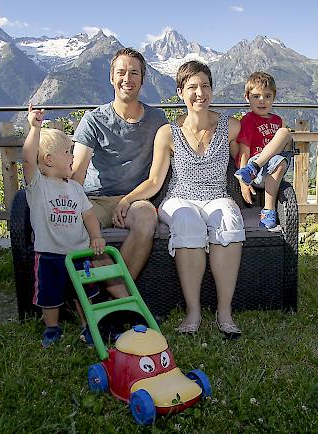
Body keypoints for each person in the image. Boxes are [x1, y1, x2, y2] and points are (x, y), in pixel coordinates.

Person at [114, 60, 245, 339]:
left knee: (229, 220)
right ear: (181, 92)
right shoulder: (168, 133)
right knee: (187, 221)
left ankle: (224, 312)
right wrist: (126, 200)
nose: (200, 93)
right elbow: (154, 181)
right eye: (192, 87)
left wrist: (249, 174)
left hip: (216, 196)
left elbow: (247, 152)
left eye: (205, 86)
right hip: (179, 197)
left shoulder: (230, 127)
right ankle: (193, 312)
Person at [71, 47, 168, 284]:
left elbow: (155, 178)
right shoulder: (93, 120)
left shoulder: (157, 120)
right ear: (111, 77)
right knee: (74, 227)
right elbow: (77, 174)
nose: (127, 79)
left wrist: (127, 201)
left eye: (134, 73)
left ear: (142, 79)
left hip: (136, 199)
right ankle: (116, 299)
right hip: (95, 200)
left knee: (146, 220)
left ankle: (118, 296)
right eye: (121, 72)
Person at [23, 105, 106, 348]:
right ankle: (52, 327)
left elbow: (89, 216)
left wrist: (96, 237)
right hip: (49, 255)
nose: (73, 156)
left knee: (85, 293)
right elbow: (28, 159)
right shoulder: (38, 186)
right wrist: (35, 128)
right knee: (49, 296)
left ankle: (87, 326)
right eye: (68, 152)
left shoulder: (75, 188)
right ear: (49, 159)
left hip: (79, 253)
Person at [233, 71, 294, 229]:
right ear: (247, 97)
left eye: (267, 96)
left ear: (274, 97)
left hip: (274, 167)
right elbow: (244, 152)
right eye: (256, 96)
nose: (262, 101)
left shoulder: (277, 120)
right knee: (285, 133)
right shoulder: (248, 121)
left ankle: (268, 212)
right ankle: (253, 168)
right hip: (255, 169)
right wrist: (243, 183)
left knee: (284, 140)